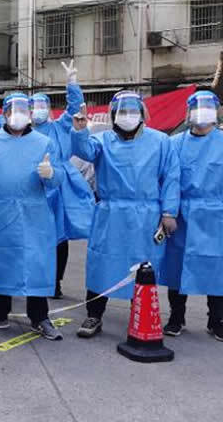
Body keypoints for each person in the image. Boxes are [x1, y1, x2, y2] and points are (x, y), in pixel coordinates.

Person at [71, 90, 179, 338]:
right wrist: (79, 131)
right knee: (102, 265)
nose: (127, 116)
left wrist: (169, 212)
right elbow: (84, 150)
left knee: (143, 268)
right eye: (122, 111)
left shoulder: (161, 142)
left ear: (142, 114)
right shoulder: (102, 140)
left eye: (132, 111)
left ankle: (140, 316)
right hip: (111, 214)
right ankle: (94, 315)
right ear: (112, 115)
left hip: (146, 215)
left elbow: (171, 177)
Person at [0, 93, 66, 341]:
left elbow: (59, 178)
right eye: (11, 110)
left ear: (30, 114)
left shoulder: (44, 142)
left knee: (36, 263)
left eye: (22, 110)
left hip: (34, 214)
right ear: (5, 114)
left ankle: (40, 316)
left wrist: (50, 174)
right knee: (1, 262)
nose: (17, 115)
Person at [157, 91, 223, 341]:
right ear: (187, 112)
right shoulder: (175, 143)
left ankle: (216, 320)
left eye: (207, 106)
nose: (201, 112)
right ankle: (176, 317)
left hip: (215, 215)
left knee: (216, 267)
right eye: (197, 107)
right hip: (182, 215)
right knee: (177, 267)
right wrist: (168, 212)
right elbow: (169, 180)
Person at [29, 60, 96, 299]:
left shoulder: (59, 127)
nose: (38, 110)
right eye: (34, 106)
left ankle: (56, 282)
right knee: (34, 236)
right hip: (33, 188)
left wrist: (72, 84)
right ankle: (37, 279)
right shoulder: (25, 132)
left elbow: (75, 109)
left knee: (59, 237)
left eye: (42, 106)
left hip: (58, 188)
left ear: (48, 109)